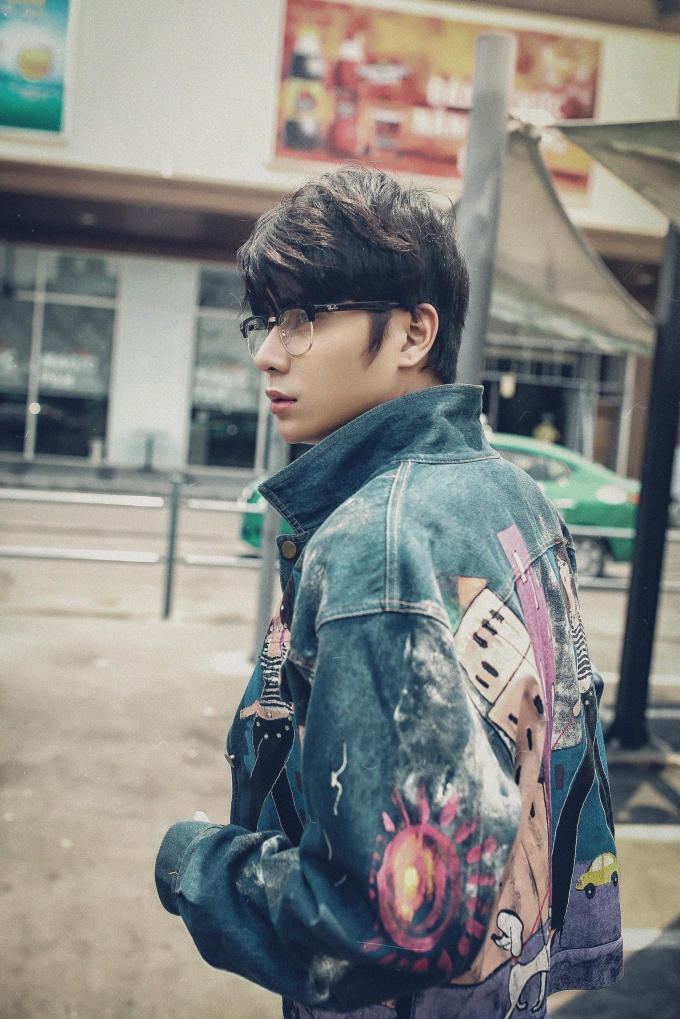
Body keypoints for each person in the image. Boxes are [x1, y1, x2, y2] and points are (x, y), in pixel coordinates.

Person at [155, 166, 622, 1018]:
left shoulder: (375, 541)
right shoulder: (516, 495)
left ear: (413, 331)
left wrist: (196, 865)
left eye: (303, 318)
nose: (268, 352)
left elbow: (393, 918)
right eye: (266, 321)